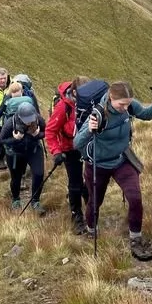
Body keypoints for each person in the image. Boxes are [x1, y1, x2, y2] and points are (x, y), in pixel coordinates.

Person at [74, 81, 152, 261]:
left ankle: (135, 238)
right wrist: (90, 130)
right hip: (98, 163)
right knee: (95, 201)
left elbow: (145, 115)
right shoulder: (98, 114)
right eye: (121, 104)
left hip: (122, 160)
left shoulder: (130, 105)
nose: (125, 108)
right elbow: (77, 143)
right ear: (111, 97)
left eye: (128, 104)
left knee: (135, 197)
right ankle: (91, 230)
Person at [46, 77, 89, 234]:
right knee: (75, 182)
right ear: (75, 92)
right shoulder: (63, 107)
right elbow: (50, 131)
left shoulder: (89, 102)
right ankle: (76, 215)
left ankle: (89, 200)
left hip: (87, 146)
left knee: (90, 178)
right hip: (69, 149)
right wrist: (56, 151)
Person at [0, 101, 46, 213]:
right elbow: (1, 139)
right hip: (15, 154)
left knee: (39, 174)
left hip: (34, 150)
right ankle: (16, 199)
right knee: (16, 178)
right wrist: (15, 139)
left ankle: (35, 201)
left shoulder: (38, 119)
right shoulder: (10, 123)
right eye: (26, 119)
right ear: (19, 116)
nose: (29, 122)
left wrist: (38, 135)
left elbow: (47, 131)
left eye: (31, 119)